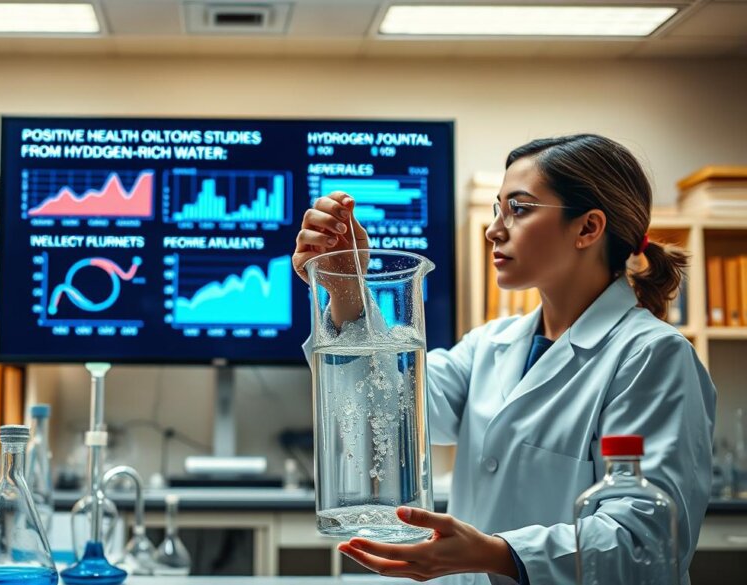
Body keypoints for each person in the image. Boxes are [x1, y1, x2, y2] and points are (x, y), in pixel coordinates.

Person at [294, 134, 716, 585]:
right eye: (498, 209)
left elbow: (647, 544)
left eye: (519, 208)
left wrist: (498, 554)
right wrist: (347, 287)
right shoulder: (489, 344)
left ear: (588, 228)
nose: (494, 230)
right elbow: (387, 409)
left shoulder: (653, 357)